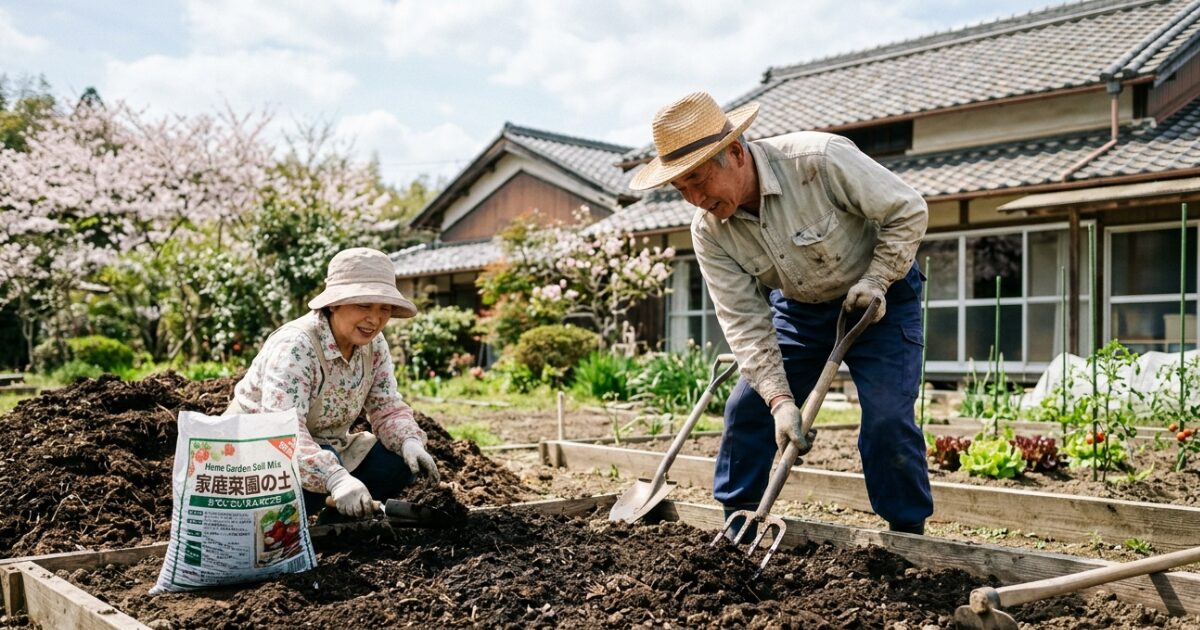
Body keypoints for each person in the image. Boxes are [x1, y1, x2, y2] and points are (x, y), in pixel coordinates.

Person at [629, 92, 933, 535]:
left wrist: (878, 278)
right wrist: (780, 401)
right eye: (682, 188)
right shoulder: (709, 231)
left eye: (698, 180)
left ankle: (909, 535)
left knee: (888, 419)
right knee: (745, 409)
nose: (694, 198)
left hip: (879, 302)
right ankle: (738, 529)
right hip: (800, 310)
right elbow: (744, 320)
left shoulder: (819, 161)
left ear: (734, 153)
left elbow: (907, 210)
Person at [227, 247, 440, 521]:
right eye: (364, 305)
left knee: (397, 461)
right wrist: (336, 478)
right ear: (334, 304)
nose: (375, 319)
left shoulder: (373, 345)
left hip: (324, 450)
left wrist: (410, 442)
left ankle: (340, 525)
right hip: (258, 458)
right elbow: (282, 431)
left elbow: (386, 405)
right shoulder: (296, 345)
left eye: (384, 308)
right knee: (326, 460)